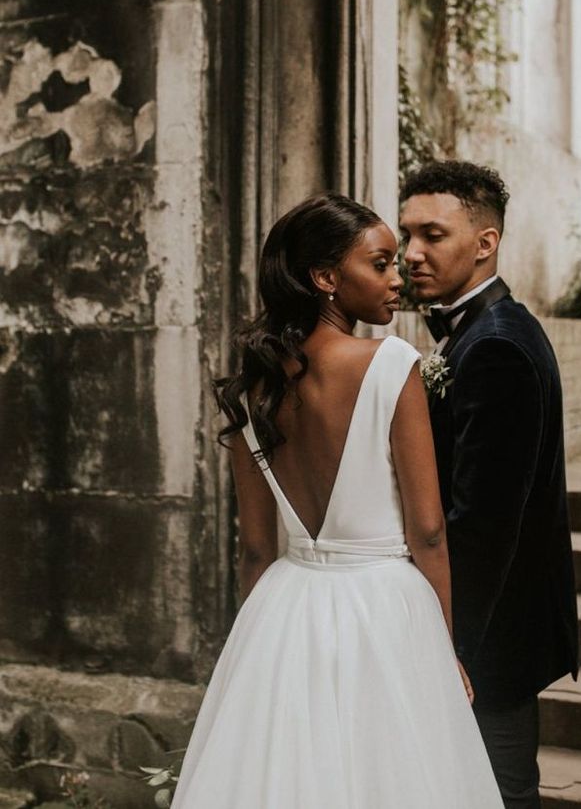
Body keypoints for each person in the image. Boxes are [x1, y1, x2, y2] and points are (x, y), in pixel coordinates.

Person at [172, 192, 503, 808]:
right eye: (379, 264)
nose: (397, 276)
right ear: (326, 278)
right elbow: (429, 532)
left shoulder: (254, 385)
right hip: (385, 604)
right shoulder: (391, 363)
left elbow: (254, 546)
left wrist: (259, 644)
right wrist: (443, 648)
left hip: (286, 603)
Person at [399, 161, 579, 809]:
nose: (412, 253)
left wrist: (450, 643)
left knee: (502, 794)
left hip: (492, 638)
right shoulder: (480, 332)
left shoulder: (495, 347)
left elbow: (482, 523)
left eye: (432, 234)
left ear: (485, 243)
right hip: (491, 625)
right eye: (406, 234)